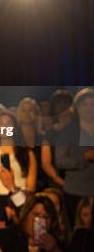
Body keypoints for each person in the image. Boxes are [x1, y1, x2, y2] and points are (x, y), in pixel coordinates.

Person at [55, 87, 94, 227]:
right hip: (76, 191)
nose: (89, 108)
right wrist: (84, 158)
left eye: (92, 104)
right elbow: (60, 161)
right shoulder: (68, 131)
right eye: (85, 104)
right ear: (77, 107)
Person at [0, 112, 37, 209]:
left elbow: (31, 188)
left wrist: (14, 189)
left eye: (8, 123)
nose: (4, 126)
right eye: (1, 123)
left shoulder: (27, 154)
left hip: (23, 201)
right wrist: (2, 211)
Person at [0, 193, 65, 252]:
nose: (40, 220)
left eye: (46, 217)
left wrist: (54, 250)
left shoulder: (57, 242)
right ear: (26, 215)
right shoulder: (6, 237)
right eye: (36, 215)